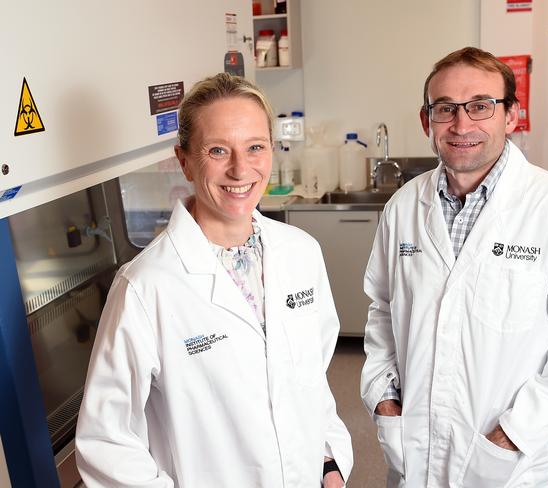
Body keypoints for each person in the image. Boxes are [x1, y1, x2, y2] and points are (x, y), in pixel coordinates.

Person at [360, 47, 548, 487]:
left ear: (512, 116)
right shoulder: (403, 206)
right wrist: (385, 401)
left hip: (507, 463)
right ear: (427, 121)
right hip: (414, 455)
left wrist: (511, 437)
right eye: (446, 109)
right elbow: (383, 310)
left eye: (481, 106)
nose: (462, 125)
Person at [76, 73, 352, 487]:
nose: (241, 169)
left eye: (255, 147)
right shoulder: (146, 285)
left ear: (271, 152)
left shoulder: (301, 253)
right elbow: (105, 441)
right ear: (184, 160)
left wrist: (328, 461)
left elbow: (311, 379)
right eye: (218, 150)